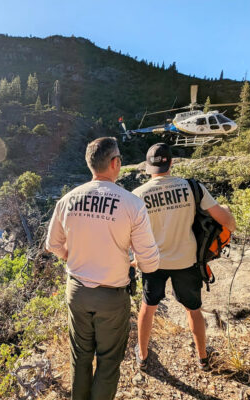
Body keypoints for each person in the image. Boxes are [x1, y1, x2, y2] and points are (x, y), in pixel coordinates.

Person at [46, 137, 160, 400]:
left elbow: (52, 244)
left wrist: (71, 256)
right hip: (112, 296)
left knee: (80, 357)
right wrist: (133, 262)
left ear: (90, 164)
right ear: (115, 163)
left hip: (77, 291)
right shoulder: (131, 203)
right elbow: (150, 262)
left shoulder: (68, 199)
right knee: (108, 361)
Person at [131, 143, 236, 371]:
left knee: (148, 308)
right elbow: (226, 221)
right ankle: (203, 358)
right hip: (187, 261)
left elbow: (130, 234)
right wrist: (229, 213)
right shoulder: (192, 187)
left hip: (153, 262)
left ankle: (143, 355)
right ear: (171, 163)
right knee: (193, 310)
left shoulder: (137, 196)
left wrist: (135, 259)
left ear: (148, 167)